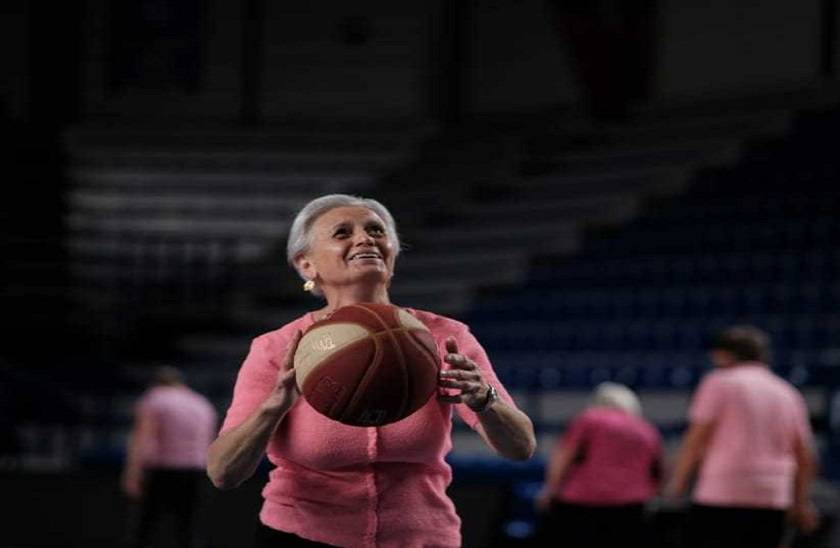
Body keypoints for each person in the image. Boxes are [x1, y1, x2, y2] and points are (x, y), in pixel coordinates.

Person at [206, 194, 537, 548]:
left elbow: (521, 447)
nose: (365, 239)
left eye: (376, 230)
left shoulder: (445, 337)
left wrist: (484, 400)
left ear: (392, 255)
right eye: (342, 233)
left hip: (422, 537)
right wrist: (275, 406)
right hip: (302, 534)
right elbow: (223, 473)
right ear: (306, 265)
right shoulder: (277, 348)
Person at [666, 325, 820, 548]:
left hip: (722, 492)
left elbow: (695, 440)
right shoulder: (788, 392)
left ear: (722, 354)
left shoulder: (719, 382)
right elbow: (804, 455)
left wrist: (677, 483)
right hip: (773, 496)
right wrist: (801, 503)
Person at [535, 382, 663, 548]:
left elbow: (565, 456)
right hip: (631, 505)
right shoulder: (646, 429)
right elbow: (657, 470)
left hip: (582, 503)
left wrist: (550, 489)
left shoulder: (589, 419)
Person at [122, 365, 219, 548]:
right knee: (189, 528)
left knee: (146, 528)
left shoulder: (154, 399)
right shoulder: (201, 403)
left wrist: (132, 474)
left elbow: (142, 438)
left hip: (163, 470)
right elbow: (210, 439)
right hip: (197, 471)